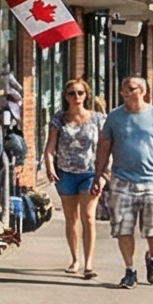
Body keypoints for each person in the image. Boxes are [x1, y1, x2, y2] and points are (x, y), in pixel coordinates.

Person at [92, 76, 153, 289]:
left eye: (130, 89)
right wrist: (99, 174)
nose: (125, 93)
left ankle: (152, 257)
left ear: (143, 91)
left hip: (150, 180)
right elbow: (104, 145)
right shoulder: (114, 117)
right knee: (123, 227)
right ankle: (129, 270)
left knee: (152, 227)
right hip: (121, 180)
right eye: (123, 90)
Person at [44, 79, 103, 279]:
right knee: (71, 219)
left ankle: (89, 264)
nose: (76, 97)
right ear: (66, 96)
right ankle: (74, 259)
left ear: (86, 95)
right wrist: (49, 166)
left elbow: (105, 148)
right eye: (71, 93)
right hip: (65, 173)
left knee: (88, 216)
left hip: (90, 172)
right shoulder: (59, 119)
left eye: (80, 93)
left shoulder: (97, 118)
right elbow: (50, 146)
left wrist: (103, 174)